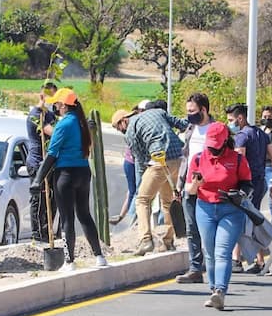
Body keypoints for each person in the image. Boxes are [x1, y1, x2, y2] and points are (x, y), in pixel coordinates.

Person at [33, 88, 107, 271]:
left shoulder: (64, 124)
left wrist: (38, 179)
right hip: (83, 172)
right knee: (84, 214)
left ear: (64, 106)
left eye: (57, 104)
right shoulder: (82, 122)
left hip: (65, 174)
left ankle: (69, 261)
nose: (55, 107)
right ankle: (99, 256)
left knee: (67, 218)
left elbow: (51, 155)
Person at [187, 121, 252, 310]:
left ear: (225, 142)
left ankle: (220, 292)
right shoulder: (198, 159)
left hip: (230, 210)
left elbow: (247, 184)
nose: (212, 149)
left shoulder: (237, 159)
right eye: (210, 145)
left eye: (216, 146)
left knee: (222, 251)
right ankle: (213, 289)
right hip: (205, 208)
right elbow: (189, 190)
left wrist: (239, 193)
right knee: (209, 251)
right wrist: (195, 184)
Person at [112, 103, 185, 256]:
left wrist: (142, 182)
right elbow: (182, 124)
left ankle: (146, 240)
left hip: (159, 161)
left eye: (120, 129)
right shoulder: (157, 112)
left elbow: (140, 160)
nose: (122, 132)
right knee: (167, 202)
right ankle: (168, 241)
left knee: (142, 200)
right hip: (179, 159)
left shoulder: (130, 132)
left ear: (124, 120)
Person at [226, 103, 272, 273]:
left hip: (246, 185)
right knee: (253, 218)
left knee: (238, 218)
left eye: (230, 120)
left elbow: (239, 160)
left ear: (240, 118)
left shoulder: (242, 136)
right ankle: (259, 261)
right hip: (261, 183)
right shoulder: (261, 134)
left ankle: (237, 260)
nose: (229, 123)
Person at [175, 93, 215, 284]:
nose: (189, 115)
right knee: (191, 228)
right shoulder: (190, 129)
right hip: (189, 185)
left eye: (192, 111)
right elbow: (186, 157)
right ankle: (195, 269)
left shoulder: (216, 130)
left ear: (204, 110)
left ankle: (215, 268)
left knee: (208, 229)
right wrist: (180, 183)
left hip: (209, 187)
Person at [26, 87, 57, 241]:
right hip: (37, 163)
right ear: (42, 96)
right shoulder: (35, 115)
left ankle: (48, 231)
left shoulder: (51, 114)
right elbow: (53, 132)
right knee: (38, 199)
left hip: (50, 163)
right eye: (50, 97)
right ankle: (37, 234)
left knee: (52, 199)